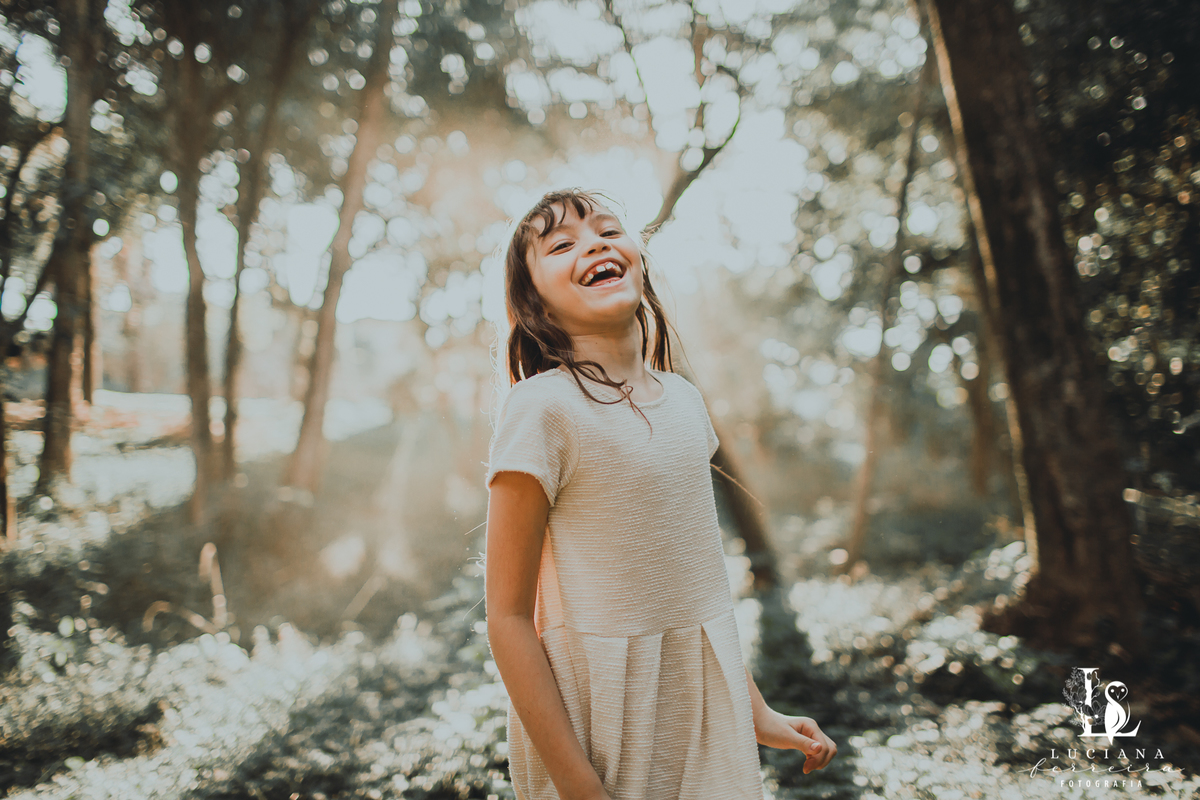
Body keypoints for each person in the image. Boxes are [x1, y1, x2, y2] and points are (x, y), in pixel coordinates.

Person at [484, 188, 836, 800]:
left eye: (608, 231)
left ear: (637, 261)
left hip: (704, 732)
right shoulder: (540, 409)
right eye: (561, 244)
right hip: (603, 731)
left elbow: (696, 594)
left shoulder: (684, 403)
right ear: (533, 298)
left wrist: (758, 716)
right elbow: (508, 617)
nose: (593, 243)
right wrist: (578, 785)